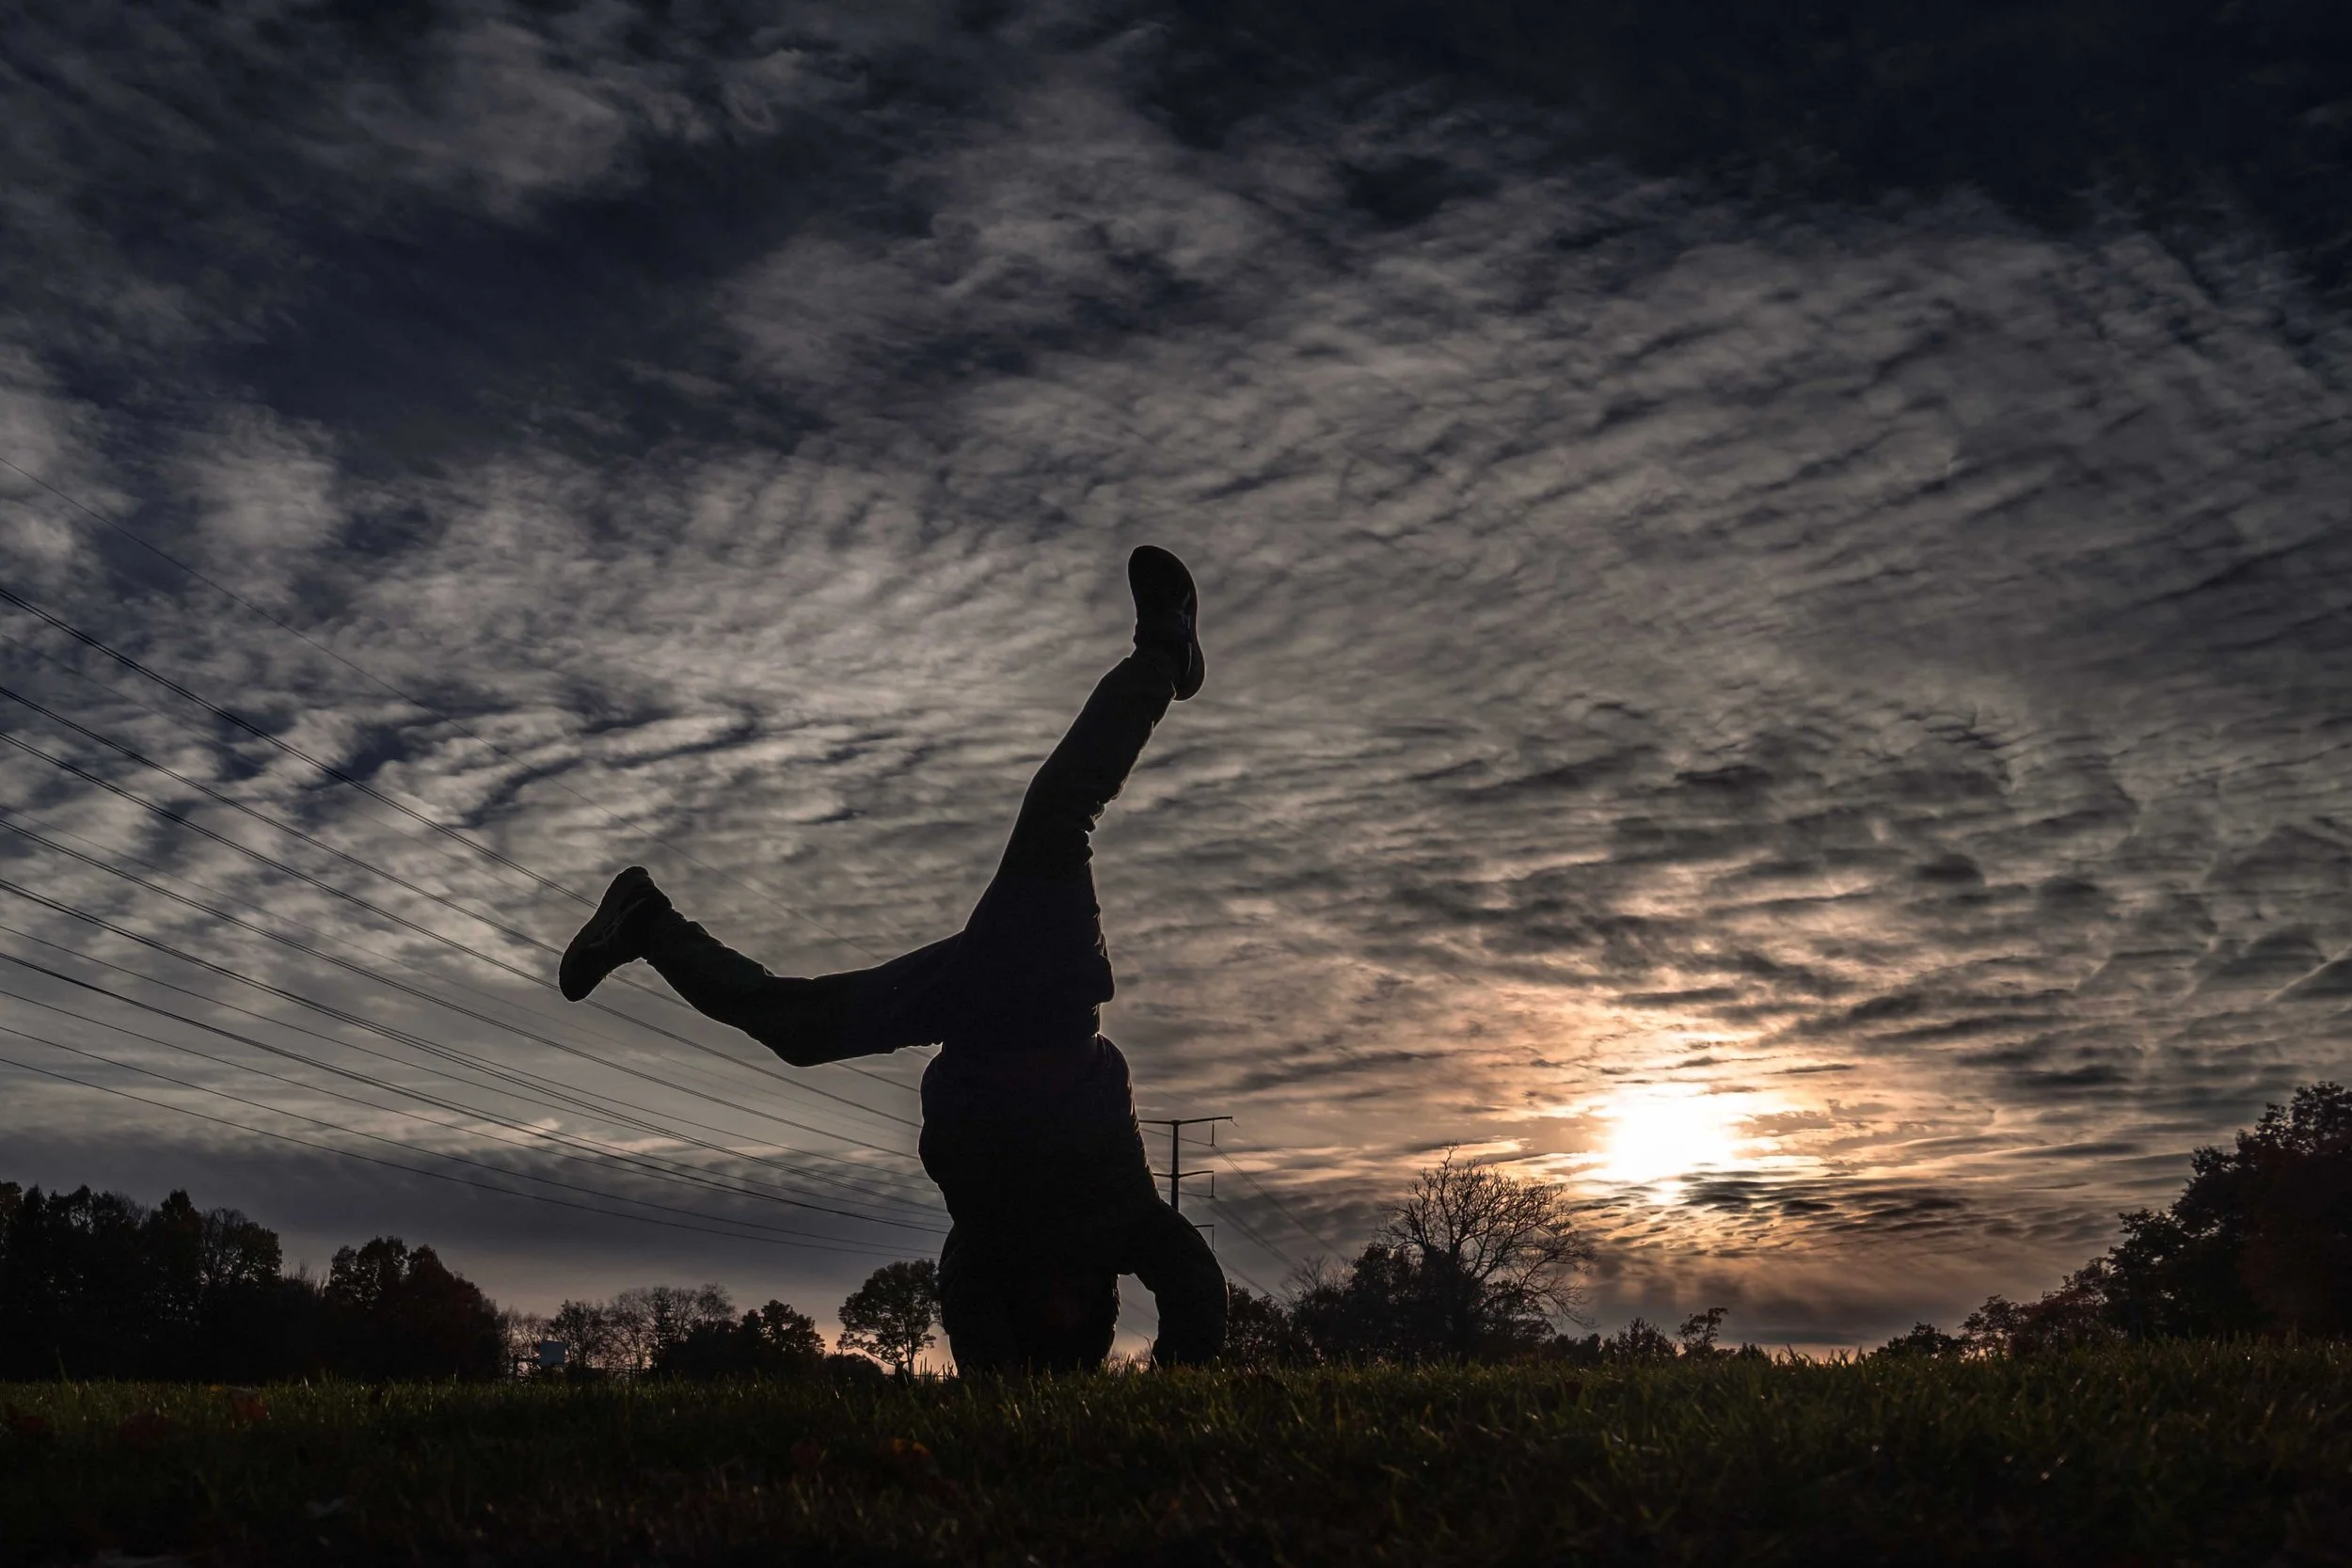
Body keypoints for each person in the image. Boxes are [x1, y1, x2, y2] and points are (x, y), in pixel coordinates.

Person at [555, 546, 1227, 1372]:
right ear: (1100, 1299)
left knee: (796, 1027)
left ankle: (642, 918)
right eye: (1076, 1299)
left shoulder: (984, 1254)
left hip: (968, 1010)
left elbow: (976, 1326)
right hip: (1049, 993)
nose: (1060, 1288)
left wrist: (1007, 1386)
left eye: (1044, 1307)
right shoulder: (1128, 1221)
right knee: (1057, 813)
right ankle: (1166, 652)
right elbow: (1195, 1286)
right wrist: (1178, 1384)